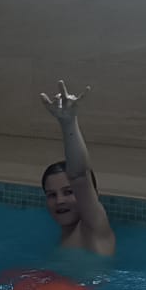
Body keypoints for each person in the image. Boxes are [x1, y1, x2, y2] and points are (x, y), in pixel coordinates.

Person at [40, 80, 115, 256]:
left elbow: (79, 176)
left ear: (93, 195)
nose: (59, 201)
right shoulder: (66, 237)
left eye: (68, 192)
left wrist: (68, 123)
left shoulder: (94, 228)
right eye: (52, 195)